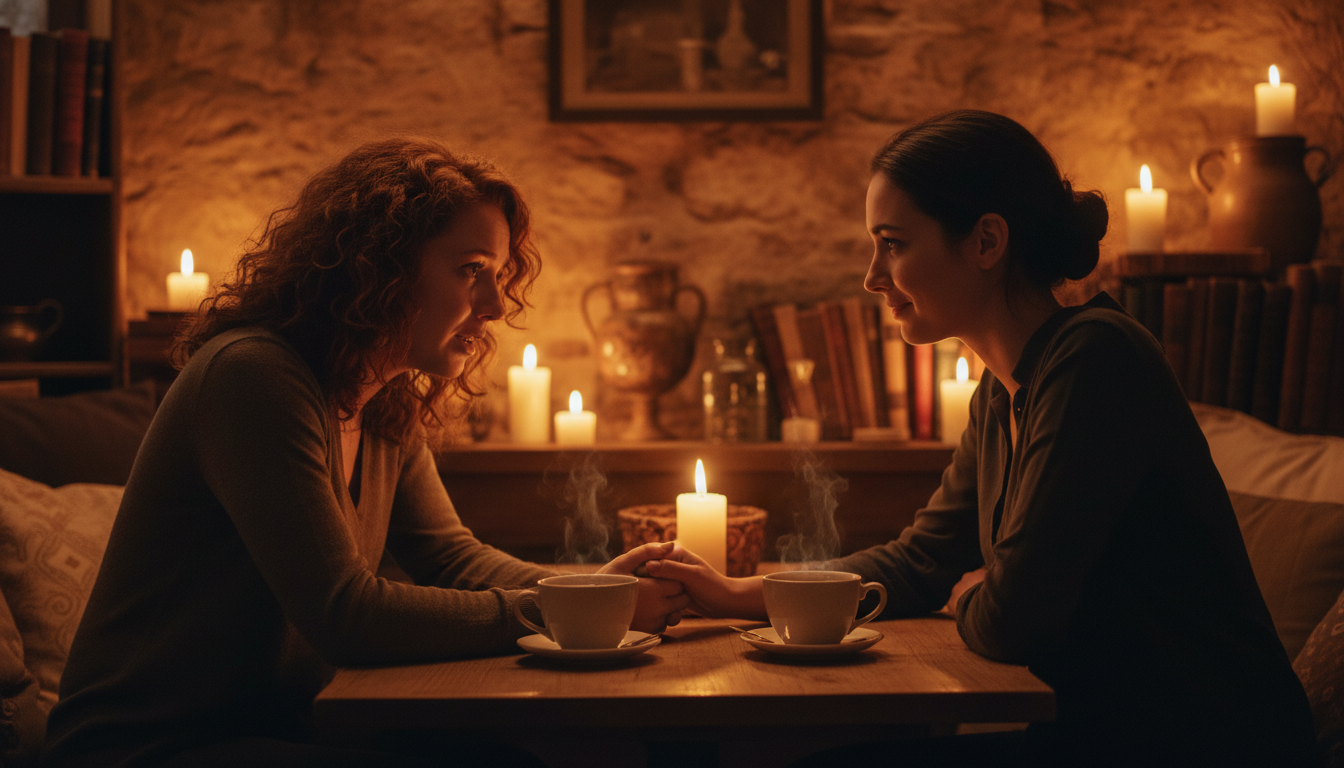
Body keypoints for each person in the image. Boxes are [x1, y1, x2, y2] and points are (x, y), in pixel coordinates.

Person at [646, 110, 1323, 766]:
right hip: (1099, 738)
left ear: (987, 242)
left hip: (1197, 746)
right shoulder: (1000, 393)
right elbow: (919, 563)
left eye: (894, 243)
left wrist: (973, 595)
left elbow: (1014, 621)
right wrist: (741, 592)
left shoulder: (1096, 359)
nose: (872, 276)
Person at [44, 137, 690, 767]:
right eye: (471, 270)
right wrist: (570, 607)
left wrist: (596, 588)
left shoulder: (381, 395)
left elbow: (450, 557)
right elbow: (344, 615)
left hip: (280, 726)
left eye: (497, 275)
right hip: (149, 746)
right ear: (378, 266)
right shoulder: (253, 375)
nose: (495, 305)